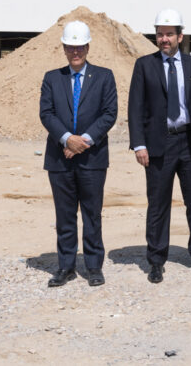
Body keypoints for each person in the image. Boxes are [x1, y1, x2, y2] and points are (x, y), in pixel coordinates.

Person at [128, 8, 191, 283]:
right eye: (159, 34)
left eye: (169, 34)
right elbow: (135, 107)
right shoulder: (144, 66)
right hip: (158, 144)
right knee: (158, 205)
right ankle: (156, 260)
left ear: (180, 35)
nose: (164, 39)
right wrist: (139, 145)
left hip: (190, 142)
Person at [39, 20, 118, 287]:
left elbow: (109, 113)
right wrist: (66, 139)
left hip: (92, 158)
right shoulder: (52, 78)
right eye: (71, 47)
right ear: (64, 48)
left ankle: (94, 267)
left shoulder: (104, 77)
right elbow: (46, 113)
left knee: (92, 214)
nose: (75, 52)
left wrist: (82, 141)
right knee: (64, 216)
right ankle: (66, 266)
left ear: (87, 47)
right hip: (59, 158)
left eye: (80, 47)